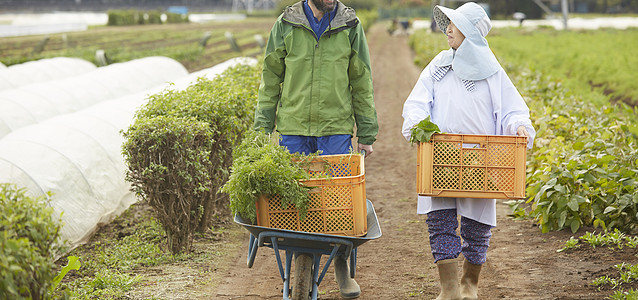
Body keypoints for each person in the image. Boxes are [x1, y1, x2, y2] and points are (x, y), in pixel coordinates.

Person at [401, 2, 535, 300]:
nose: (448, 29)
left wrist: (519, 128)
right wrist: (417, 123)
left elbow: (513, 110)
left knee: (477, 224)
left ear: (472, 33)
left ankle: (469, 283)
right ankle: (448, 288)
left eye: (456, 24)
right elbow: (417, 102)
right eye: (448, 23)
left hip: (482, 158)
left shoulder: (492, 72)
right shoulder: (439, 65)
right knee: (440, 219)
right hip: (442, 154)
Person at [253, 0, 378, 298]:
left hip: (334, 128)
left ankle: (340, 263)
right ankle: (300, 261)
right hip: (294, 127)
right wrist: (262, 128)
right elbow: (270, 79)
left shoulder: (350, 25)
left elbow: (361, 79)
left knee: (338, 201)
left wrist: (367, 131)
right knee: (293, 200)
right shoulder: (286, 24)